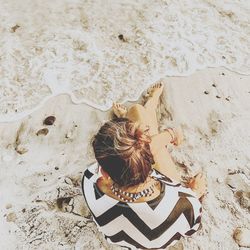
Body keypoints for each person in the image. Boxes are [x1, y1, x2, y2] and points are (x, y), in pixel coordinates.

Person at [82, 82, 207, 249]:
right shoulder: (183, 202)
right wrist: (195, 192)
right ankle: (148, 108)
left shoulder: (90, 181)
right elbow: (192, 227)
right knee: (138, 112)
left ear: (104, 173)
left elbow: (144, 152)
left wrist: (168, 135)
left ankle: (138, 115)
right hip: (158, 225)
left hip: (119, 237)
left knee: (137, 116)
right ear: (150, 161)